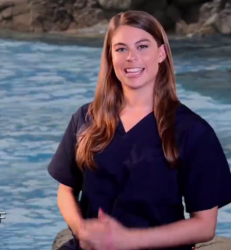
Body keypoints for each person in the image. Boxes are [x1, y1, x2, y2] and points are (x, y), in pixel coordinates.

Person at [47, 10, 231, 250]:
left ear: (161, 53)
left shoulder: (192, 131)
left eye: (142, 46)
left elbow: (205, 226)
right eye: (121, 49)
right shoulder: (86, 117)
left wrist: (127, 240)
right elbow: (66, 190)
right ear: (111, 57)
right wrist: (82, 230)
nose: (131, 57)